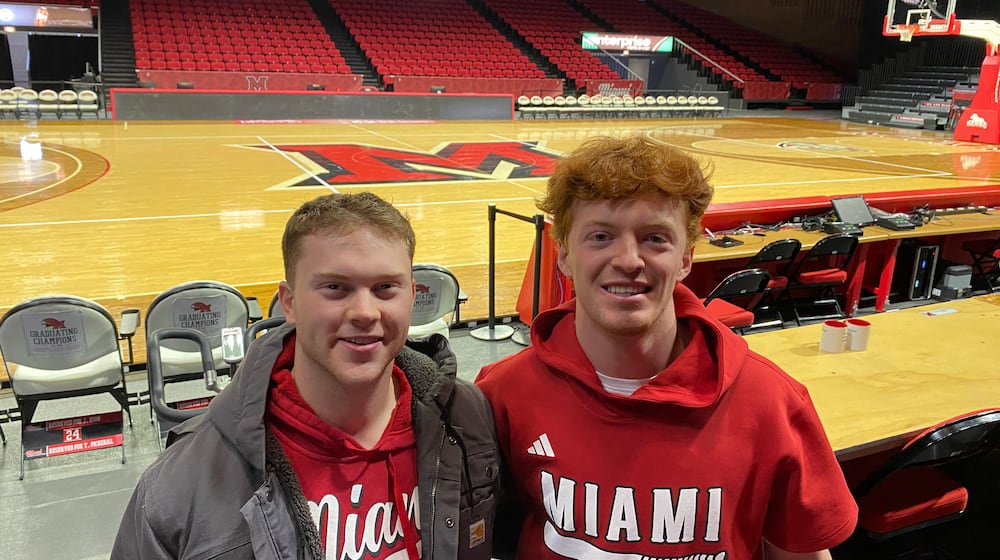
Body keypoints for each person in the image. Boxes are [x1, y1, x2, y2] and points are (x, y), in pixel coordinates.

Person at [476, 135, 858, 560]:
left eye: (655, 238)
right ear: (564, 255)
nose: (628, 260)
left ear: (686, 258)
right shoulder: (502, 392)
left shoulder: (770, 401)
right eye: (600, 236)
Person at [114, 192, 500, 559]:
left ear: (412, 296)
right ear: (289, 302)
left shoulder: (469, 418)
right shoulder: (177, 487)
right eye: (335, 288)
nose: (365, 312)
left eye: (385, 288)